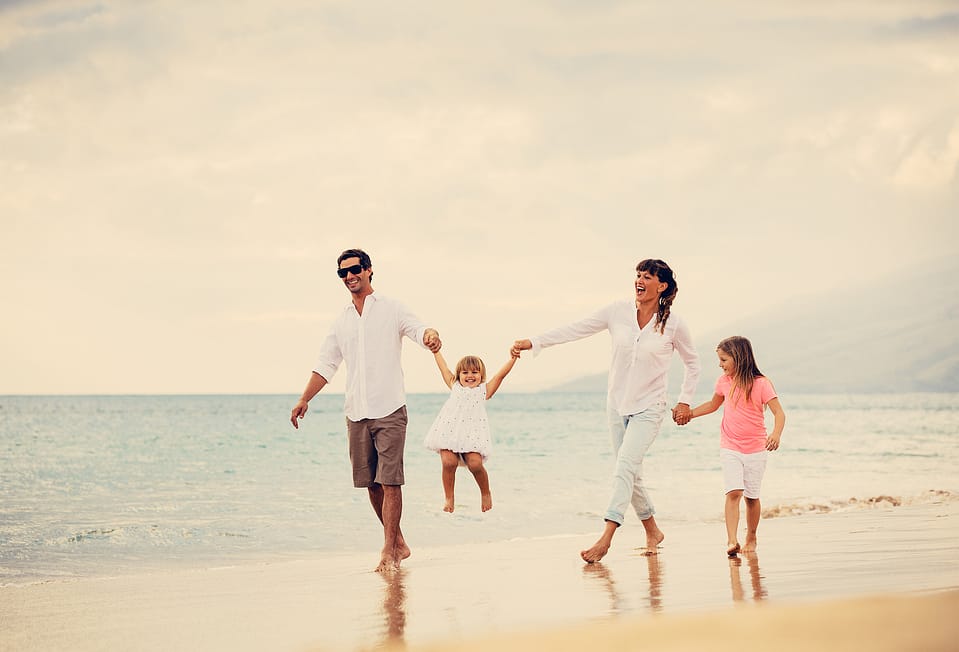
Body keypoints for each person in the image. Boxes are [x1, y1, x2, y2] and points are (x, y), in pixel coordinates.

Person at [512, 259, 700, 563]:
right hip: (616, 404)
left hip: (650, 406)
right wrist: (535, 341)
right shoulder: (617, 312)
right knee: (631, 471)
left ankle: (606, 538)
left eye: (647, 276)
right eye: (638, 275)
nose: (639, 280)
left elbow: (693, 363)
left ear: (661, 286)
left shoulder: (673, 324)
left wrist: (685, 400)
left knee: (624, 466)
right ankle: (653, 530)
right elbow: (576, 329)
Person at [290, 248, 441, 573]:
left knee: (390, 482)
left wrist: (429, 335)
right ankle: (399, 541)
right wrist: (305, 399)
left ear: (369, 270)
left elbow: (417, 329)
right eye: (342, 273)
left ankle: (389, 550)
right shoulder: (341, 320)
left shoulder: (392, 308)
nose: (349, 276)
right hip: (356, 412)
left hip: (389, 409)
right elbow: (326, 364)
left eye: (355, 269)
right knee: (370, 484)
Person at [678, 336, 785, 556]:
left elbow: (779, 413)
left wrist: (776, 433)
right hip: (730, 446)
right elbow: (712, 405)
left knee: (752, 498)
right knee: (733, 492)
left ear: (738, 357)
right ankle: (731, 541)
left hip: (756, 448)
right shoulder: (723, 382)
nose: (720, 365)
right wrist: (689, 414)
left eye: (724, 360)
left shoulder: (761, 383)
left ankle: (751, 536)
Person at [423, 349, 519, 513]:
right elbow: (443, 368)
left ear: (482, 375)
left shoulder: (484, 391)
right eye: (465, 372)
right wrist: (436, 352)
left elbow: (500, 376)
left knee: (475, 465)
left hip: (472, 435)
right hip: (448, 432)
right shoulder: (454, 386)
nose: (470, 375)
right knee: (448, 463)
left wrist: (512, 359)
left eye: (475, 372)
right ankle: (449, 497)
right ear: (458, 375)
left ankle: (485, 492)